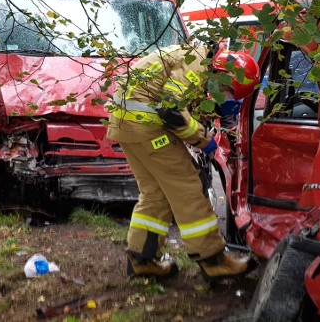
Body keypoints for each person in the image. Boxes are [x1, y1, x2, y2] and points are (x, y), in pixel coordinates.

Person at [106, 42, 260, 281]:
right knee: (189, 186)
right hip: (147, 127)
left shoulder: (193, 57)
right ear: (224, 73)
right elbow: (171, 110)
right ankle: (214, 260)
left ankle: (142, 260)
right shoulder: (195, 62)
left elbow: (175, 101)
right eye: (227, 90)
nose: (224, 96)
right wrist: (203, 140)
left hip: (126, 124)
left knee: (155, 193)